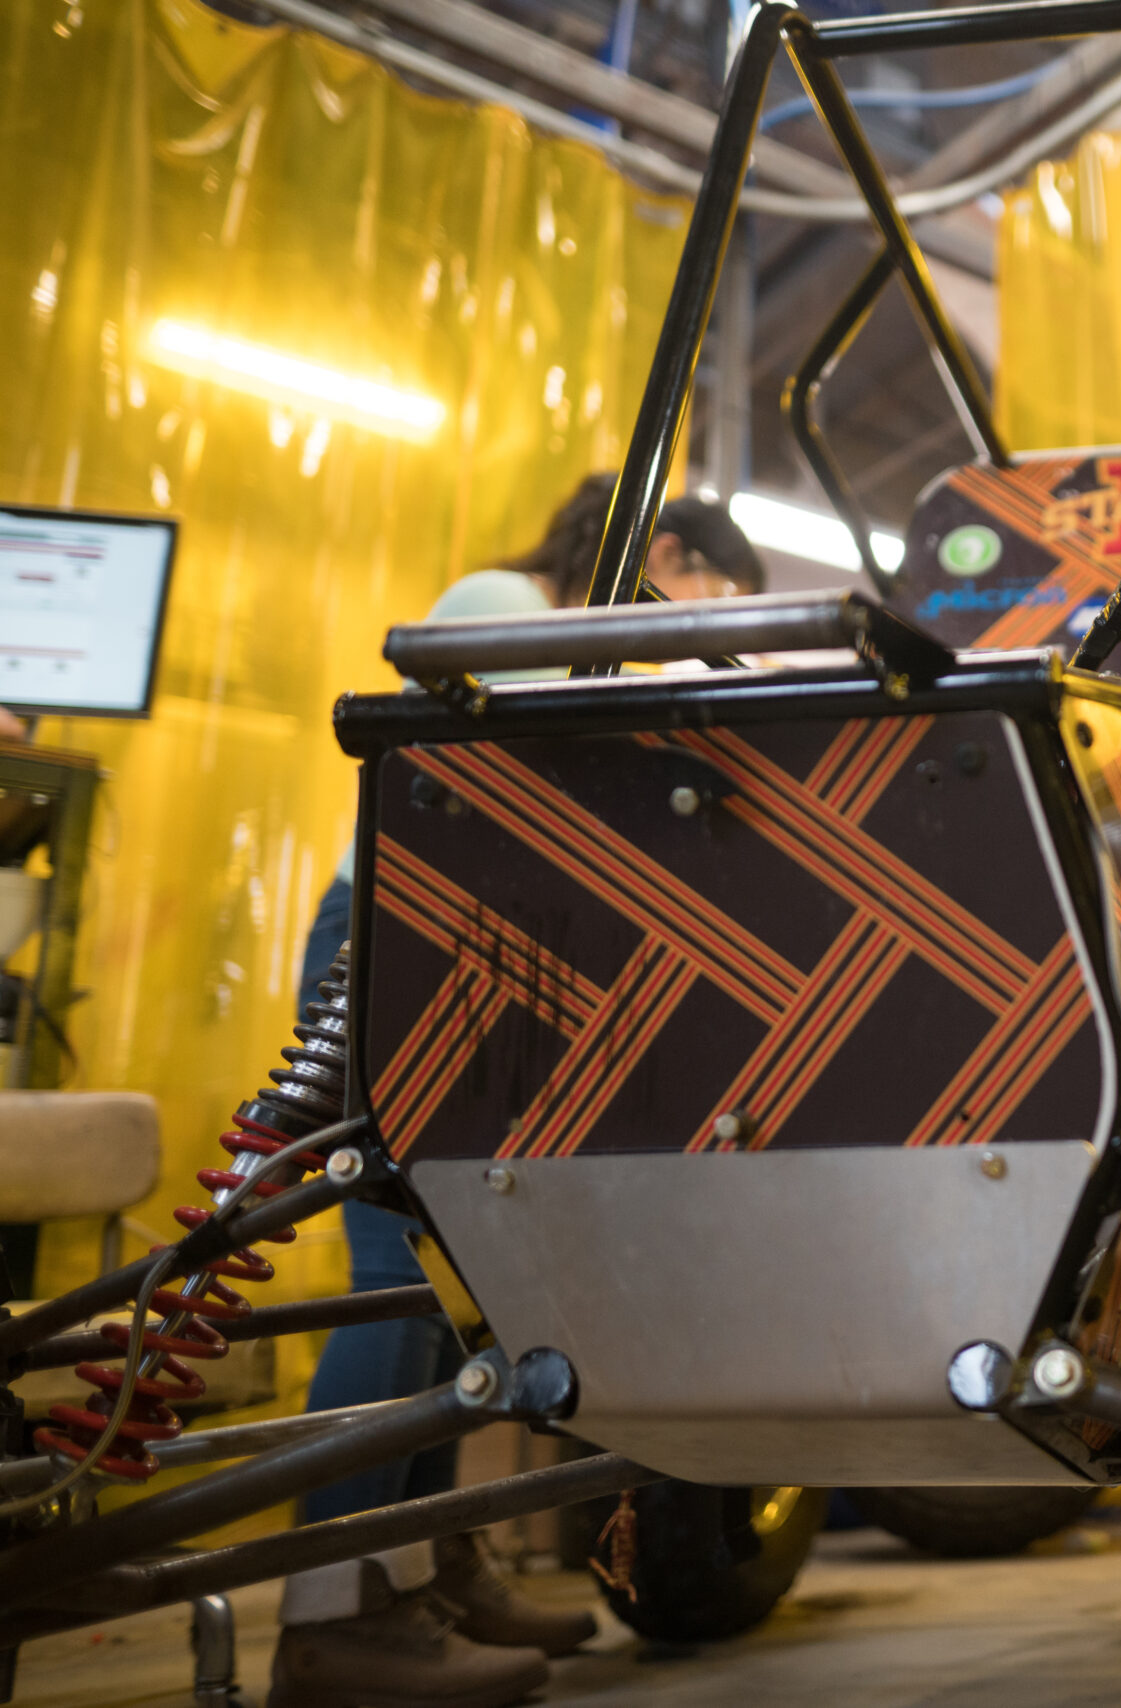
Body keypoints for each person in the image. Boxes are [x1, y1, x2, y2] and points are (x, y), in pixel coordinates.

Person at [271, 477, 765, 1708]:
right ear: (659, 553)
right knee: (394, 1278)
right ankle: (327, 1612)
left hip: (496, 943)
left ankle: (430, 1571)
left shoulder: (570, 635)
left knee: (456, 1292)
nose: (705, 626)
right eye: (710, 595)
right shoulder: (507, 602)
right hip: (405, 940)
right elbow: (541, 794)